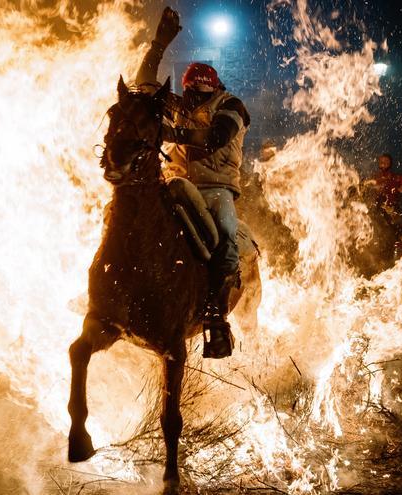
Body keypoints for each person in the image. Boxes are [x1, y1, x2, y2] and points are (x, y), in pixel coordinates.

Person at [135, 7, 251, 359]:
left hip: (216, 189)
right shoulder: (181, 103)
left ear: (213, 87)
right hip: (177, 183)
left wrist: (171, 131)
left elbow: (216, 137)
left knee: (227, 236)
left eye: (200, 93)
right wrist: (158, 44)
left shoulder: (231, 105)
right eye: (191, 92)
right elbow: (144, 86)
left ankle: (216, 317)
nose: (194, 98)